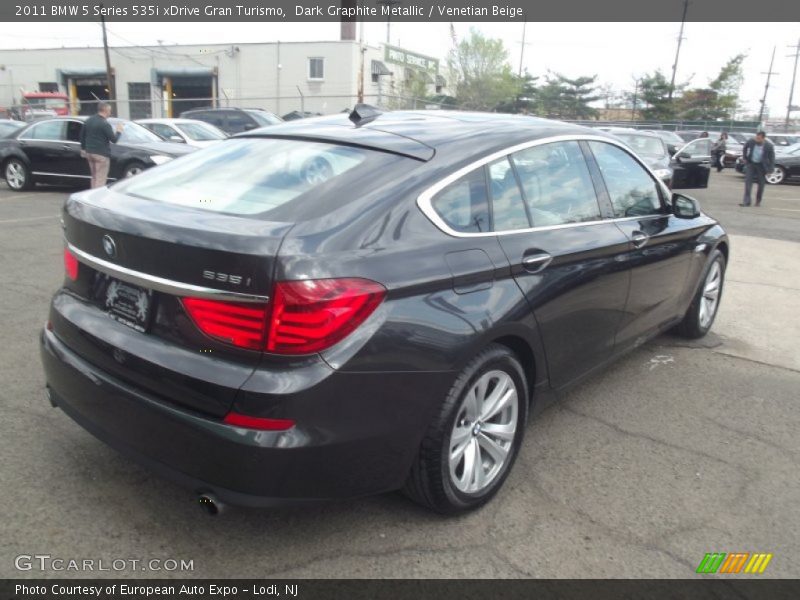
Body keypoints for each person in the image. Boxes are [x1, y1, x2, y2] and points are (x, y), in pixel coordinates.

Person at [79, 102, 124, 189]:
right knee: (100, 178)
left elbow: (82, 136)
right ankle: (96, 198)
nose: (110, 113)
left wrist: (83, 149)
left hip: (89, 153)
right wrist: (119, 131)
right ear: (106, 110)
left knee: (94, 177)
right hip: (101, 154)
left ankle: (91, 195)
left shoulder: (89, 120)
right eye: (110, 110)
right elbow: (114, 140)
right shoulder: (105, 124)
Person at [740, 131, 775, 207]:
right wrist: (744, 157)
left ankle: (758, 201)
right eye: (756, 137)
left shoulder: (769, 146)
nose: (757, 139)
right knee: (748, 183)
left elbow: (772, 158)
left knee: (761, 185)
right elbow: (745, 147)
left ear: (763, 138)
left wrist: (770, 170)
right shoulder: (751, 141)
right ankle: (746, 202)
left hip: (761, 166)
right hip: (751, 164)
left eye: (759, 138)